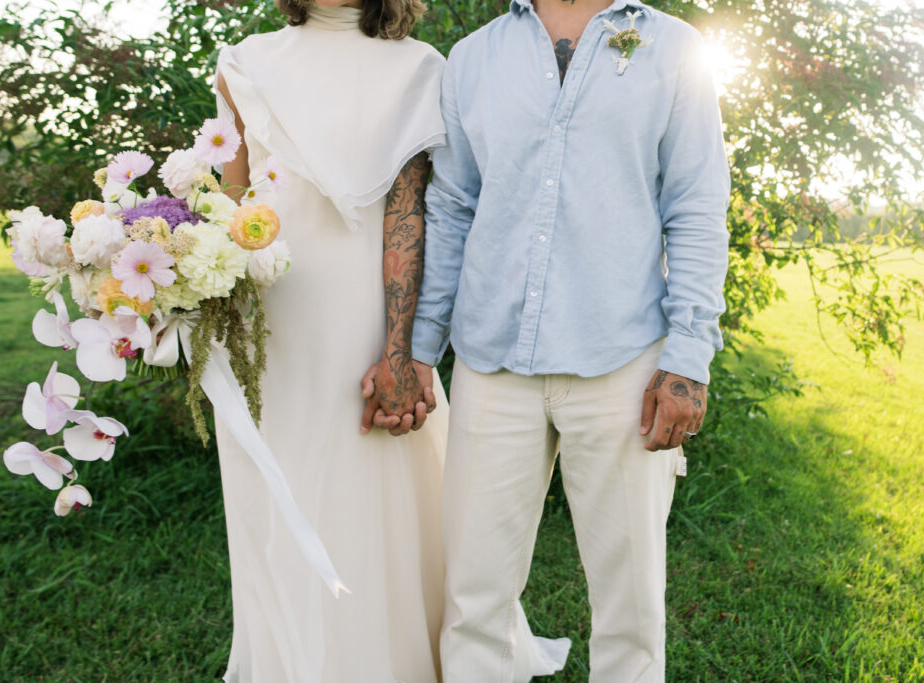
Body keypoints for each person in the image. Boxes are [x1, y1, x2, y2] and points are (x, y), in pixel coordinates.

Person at [411, 0, 731, 680]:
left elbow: (696, 206)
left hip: (623, 357)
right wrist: (420, 345)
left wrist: (688, 359)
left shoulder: (673, 48)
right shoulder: (474, 56)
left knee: (630, 606)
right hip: (491, 356)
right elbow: (452, 205)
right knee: (473, 598)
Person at [212, 0, 447, 679]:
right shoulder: (244, 61)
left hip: (364, 314)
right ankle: (289, 657)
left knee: (368, 481)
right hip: (272, 312)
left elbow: (408, 212)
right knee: (277, 482)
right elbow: (232, 197)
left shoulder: (418, 69)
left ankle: (386, 657)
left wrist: (398, 347)